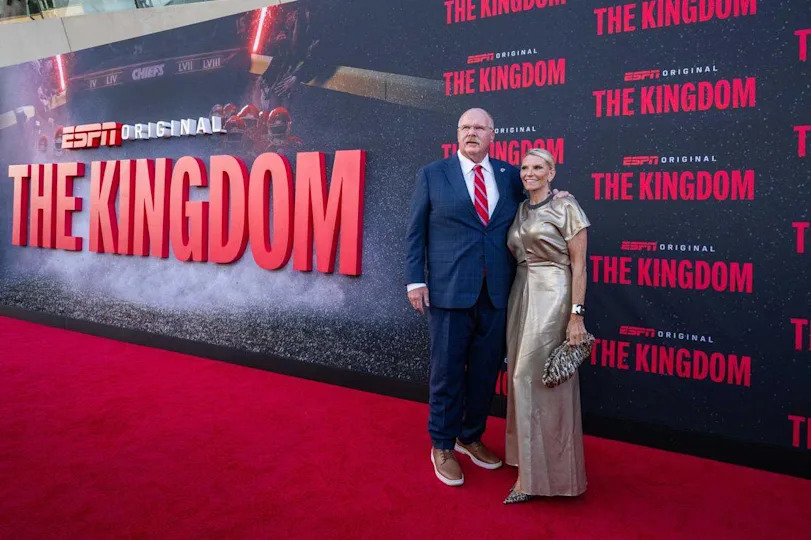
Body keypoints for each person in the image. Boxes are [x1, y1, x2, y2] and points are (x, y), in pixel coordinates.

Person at [405, 109, 569, 487]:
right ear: (457, 133)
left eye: (479, 128)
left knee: (484, 373)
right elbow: (415, 232)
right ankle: (442, 444)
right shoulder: (432, 174)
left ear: (493, 135)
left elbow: (534, 205)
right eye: (465, 127)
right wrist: (415, 281)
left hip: (497, 293)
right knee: (447, 372)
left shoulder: (510, 176)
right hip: (448, 292)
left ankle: (470, 436)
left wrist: (556, 198)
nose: (471, 133)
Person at [503, 148, 590, 504]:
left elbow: (579, 265)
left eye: (538, 167)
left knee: (534, 377)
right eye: (525, 167)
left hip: (553, 295)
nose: (529, 172)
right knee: (519, 377)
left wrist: (576, 315)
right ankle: (527, 459)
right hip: (521, 294)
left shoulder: (567, 207)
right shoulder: (522, 209)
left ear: (552, 172)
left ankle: (535, 478)